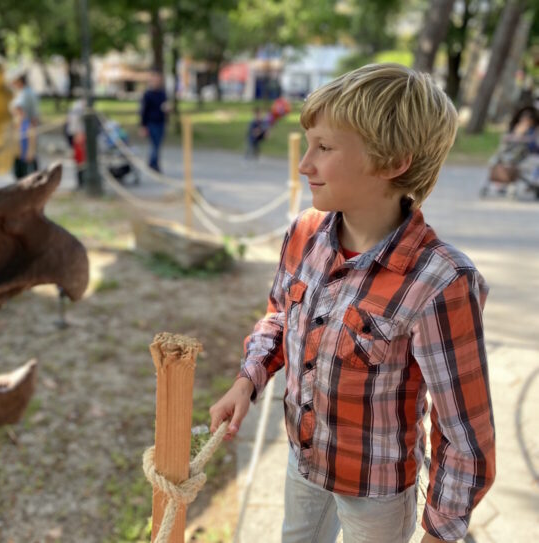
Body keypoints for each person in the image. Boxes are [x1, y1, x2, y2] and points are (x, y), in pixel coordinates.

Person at [209, 64, 495, 543]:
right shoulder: (303, 233)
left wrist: (440, 533)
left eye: (325, 148)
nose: (305, 166)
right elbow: (280, 314)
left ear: (392, 162)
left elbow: (465, 433)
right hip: (303, 463)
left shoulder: (441, 281)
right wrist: (248, 379)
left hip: (376, 492)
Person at [140, 71, 168, 172]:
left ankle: (153, 162)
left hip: (161, 122)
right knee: (155, 144)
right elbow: (143, 111)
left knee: (158, 144)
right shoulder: (147, 95)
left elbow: (164, 106)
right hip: (152, 122)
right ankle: (153, 164)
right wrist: (143, 126)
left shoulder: (162, 93)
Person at [12, 104, 37, 179]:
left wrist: (30, 153)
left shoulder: (28, 125)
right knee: (17, 174)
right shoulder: (14, 124)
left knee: (25, 175)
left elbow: (32, 141)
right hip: (17, 155)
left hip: (25, 155)